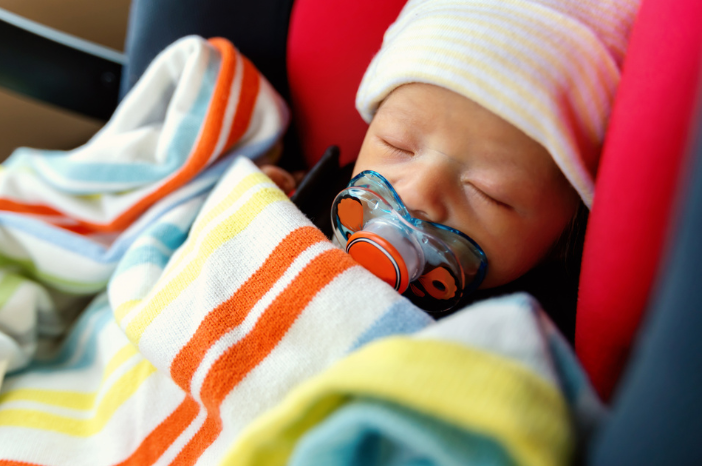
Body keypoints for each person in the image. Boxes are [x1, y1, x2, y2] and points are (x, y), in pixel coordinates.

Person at [262, 0, 641, 337]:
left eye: (487, 192)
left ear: (564, 239)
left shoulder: (529, 330)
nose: (417, 193)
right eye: (397, 145)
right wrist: (283, 199)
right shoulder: (339, 193)